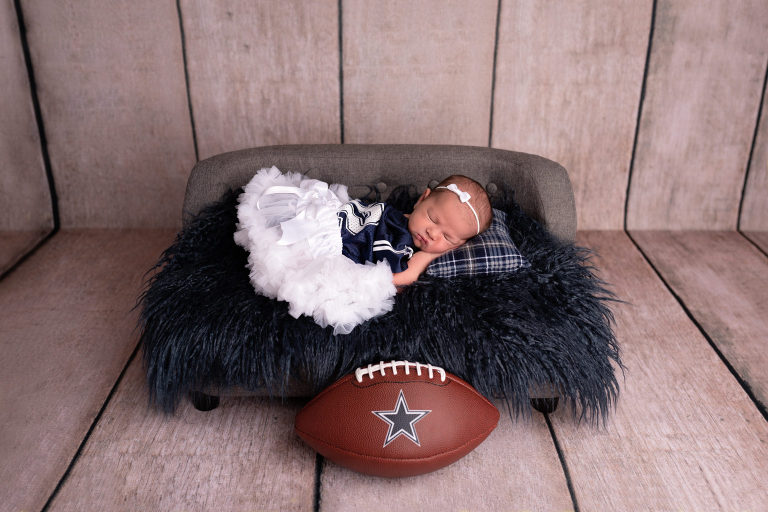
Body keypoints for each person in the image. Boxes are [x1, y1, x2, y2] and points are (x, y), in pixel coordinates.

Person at [234, 167, 492, 333]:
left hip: (331, 237)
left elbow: (396, 275)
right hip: (327, 233)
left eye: (446, 237)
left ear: (458, 245)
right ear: (422, 200)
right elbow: (398, 276)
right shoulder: (400, 236)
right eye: (433, 219)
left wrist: (431, 254)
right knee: (282, 247)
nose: (432, 233)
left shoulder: (402, 235)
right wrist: (430, 253)